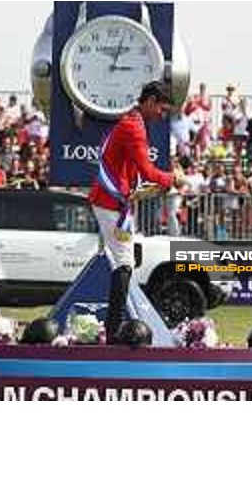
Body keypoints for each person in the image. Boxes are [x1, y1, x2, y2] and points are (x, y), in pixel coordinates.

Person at [89, 81, 187, 343]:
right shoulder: (133, 127)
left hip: (111, 201)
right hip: (110, 203)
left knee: (125, 263)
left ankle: (114, 325)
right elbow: (148, 172)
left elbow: (137, 175)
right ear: (151, 101)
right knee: (123, 263)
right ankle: (114, 330)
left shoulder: (133, 122)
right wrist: (172, 179)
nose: (162, 116)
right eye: (162, 109)